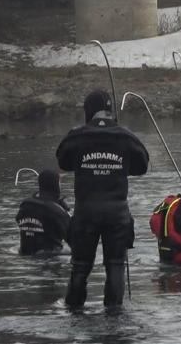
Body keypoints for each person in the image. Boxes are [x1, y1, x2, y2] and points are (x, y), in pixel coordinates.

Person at [56, 90, 150, 309]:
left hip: (85, 212)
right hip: (117, 213)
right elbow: (142, 165)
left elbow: (63, 161)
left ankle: (73, 312)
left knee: (80, 267)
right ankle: (114, 315)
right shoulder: (125, 136)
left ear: (88, 111)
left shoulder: (78, 135)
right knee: (116, 266)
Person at [16, 169, 71, 255]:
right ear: (55, 185)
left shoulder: (25, 205)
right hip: (51, 257)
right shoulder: (57, 211)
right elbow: (74, 240)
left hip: (24, 253)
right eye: (59, 182)